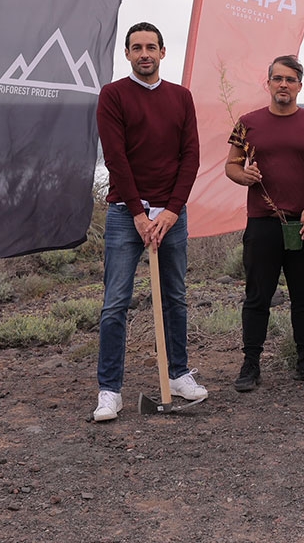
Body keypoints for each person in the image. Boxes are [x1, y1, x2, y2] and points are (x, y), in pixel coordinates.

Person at [93, 22, 206, 422]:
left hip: (172, 213)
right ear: (127, 54)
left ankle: (178, 375)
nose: (145, 53)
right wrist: (140, 215)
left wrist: (172, 211)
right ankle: (110, 390)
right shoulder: (113, 96)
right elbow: (116, 158)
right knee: (115, 303)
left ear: (162, 52)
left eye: (151, 47)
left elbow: (190, 156)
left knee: (174, 297)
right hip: (127, 213)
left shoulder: (181, 97)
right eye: (137, 47)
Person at [224, 54, 304, 392]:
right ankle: (250, 363)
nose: (283, 85)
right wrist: (245, 175)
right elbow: (231, 166)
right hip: (263, 223)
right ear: (267, 83)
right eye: (277, 79)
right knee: (257, 296)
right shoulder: (247, 122)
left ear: (300, 85)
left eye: (290, 79)